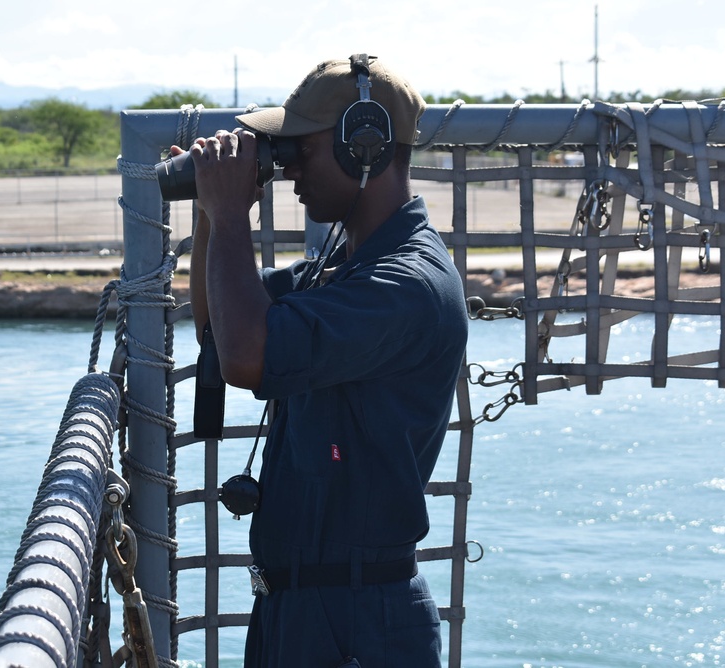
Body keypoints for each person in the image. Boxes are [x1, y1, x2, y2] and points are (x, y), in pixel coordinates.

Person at [179, 54, 468, 666]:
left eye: (299, 151)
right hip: (310, 610)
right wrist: (214, 209)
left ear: (363, 146)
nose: (288, 172)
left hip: (357, 625)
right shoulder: (348, 269)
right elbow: (218, 326)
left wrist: (232, 214)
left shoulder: (401, 286)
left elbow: (246, 359)